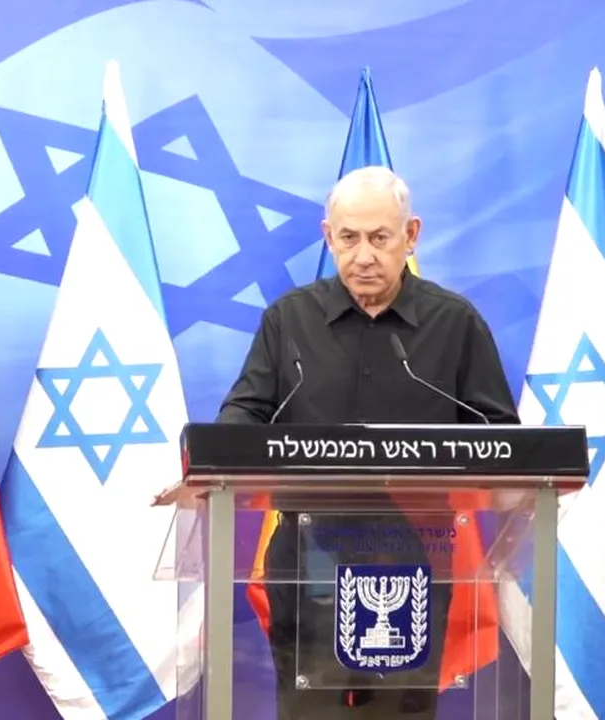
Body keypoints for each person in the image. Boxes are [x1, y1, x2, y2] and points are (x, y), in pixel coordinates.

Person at [217, 166, 518, 719]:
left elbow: (497, 432)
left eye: (380, 238)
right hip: (309, 558)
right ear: (328, 237)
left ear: (411, 234)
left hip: (417, 554)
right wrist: (209, 465)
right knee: (311, 712)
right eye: (349, 238)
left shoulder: (454, 323)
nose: (364, 256)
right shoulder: (289, 320)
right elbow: (247, 412)